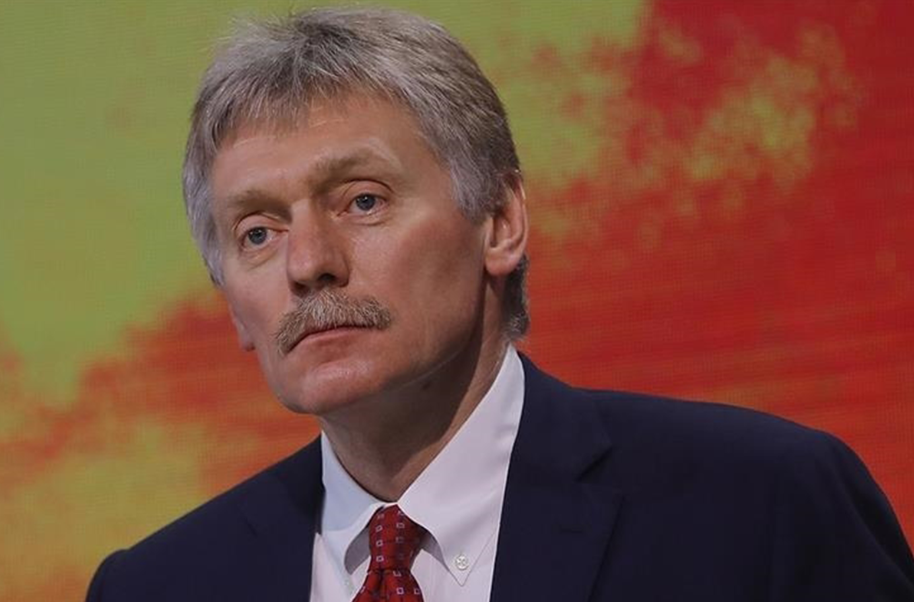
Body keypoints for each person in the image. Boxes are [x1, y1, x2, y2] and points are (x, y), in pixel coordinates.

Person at [86, 7, 914, 601]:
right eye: (259, 233)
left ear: (500, 221)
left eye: (363, 201)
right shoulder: (158, 586)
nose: (309, 265)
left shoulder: (759, 510)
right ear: (233, 307)